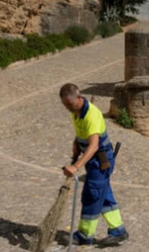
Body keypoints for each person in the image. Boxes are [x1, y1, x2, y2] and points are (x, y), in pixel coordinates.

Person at [60, 83, 129, 246]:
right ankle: (119, 231)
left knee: (91, 196)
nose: (67, 108)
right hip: (93, 161)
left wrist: (76, 166)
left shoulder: (92, 114)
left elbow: (94, 146)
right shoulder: (76, 112)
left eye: (69, 104)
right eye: (65, 105)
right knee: (103, 195)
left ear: (78, 97)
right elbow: (82, 133)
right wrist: (76, 144)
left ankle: (84, 235)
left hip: (100, 161)